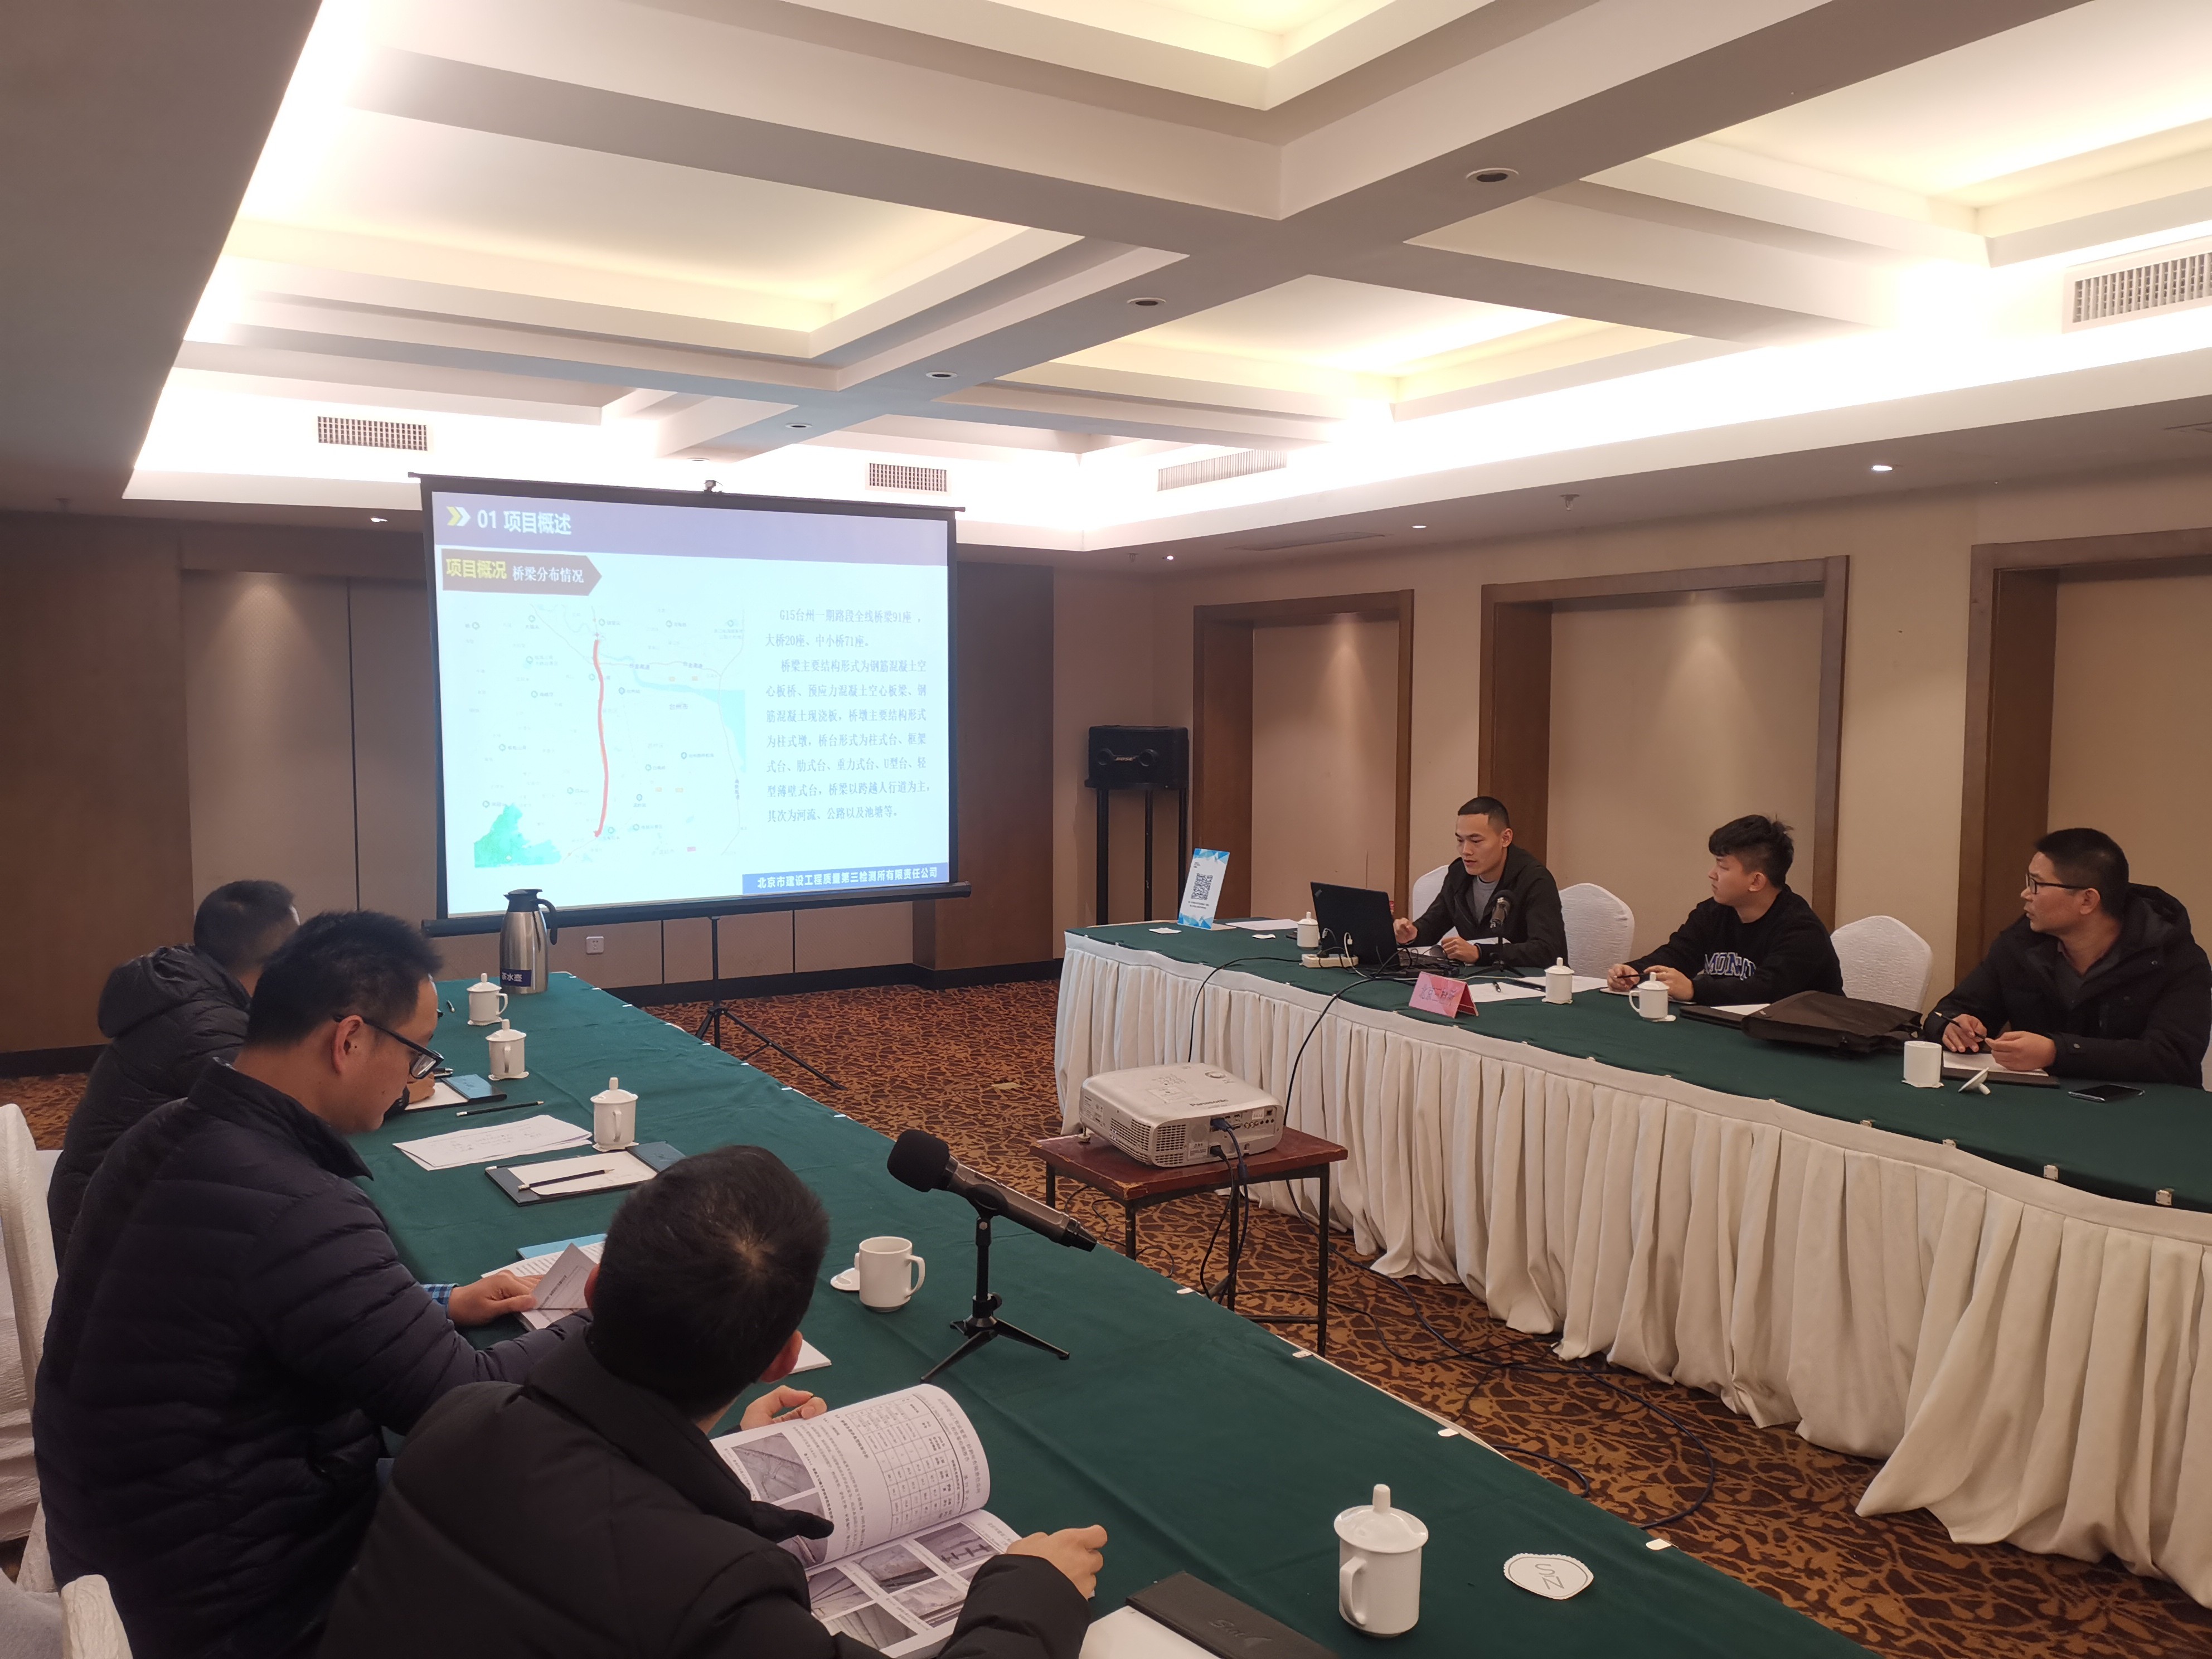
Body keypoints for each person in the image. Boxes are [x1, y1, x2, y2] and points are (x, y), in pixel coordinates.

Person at [35, 911, 584, 1659]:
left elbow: (259, 1304)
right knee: (561, 1541)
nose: (416, 1078)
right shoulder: (296, 1206)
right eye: (417, 1054)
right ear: (349, 1040)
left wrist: (436, 1302)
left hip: (131, 1546)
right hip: (240, 1607)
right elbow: (465, 1401)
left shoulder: (162, 1132)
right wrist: (609, 1306)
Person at [318, 1143, 1105, 1659]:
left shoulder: (454, 1423)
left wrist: (715, 1465)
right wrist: (1028, 1596)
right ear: (781, 1359)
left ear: (591, 1292)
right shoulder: (718, 1596)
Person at [48, 879, 299, 1253]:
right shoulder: (205, 1029)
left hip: (103, 1201)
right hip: (107, 1241)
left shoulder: (182, 981)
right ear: (278, 965)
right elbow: (287, 1119)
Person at [1928, 828, 2211, 1086]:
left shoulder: (2175, 959)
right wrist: (1953, 1026)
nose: (2025, 894)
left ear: (2087, 900)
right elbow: (1951, 1010)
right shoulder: (2021, 944)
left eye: (2037, 884)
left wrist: (2057, 1052)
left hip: (2145, 1110)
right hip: (2043, 1104)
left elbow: (2173, 1058)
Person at [1606, 815, 1842, 1005]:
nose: (1712, 874)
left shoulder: (1801, 929)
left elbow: (1767, 989)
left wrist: (1694, 989)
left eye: (1723, 866)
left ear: (1756, 881)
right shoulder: (1714, 912)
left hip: (1807, 1039)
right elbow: (1678, 954)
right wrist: (1635, 973)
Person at [1392, 796, 1567, 969]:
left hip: (1529, 982)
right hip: (1477, 978)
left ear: (1505, 838)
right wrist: (1412, 935)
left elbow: (1548, 951)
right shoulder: (1459, 874)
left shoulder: (1535, 879)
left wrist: (1480, 953)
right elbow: (1433, 925)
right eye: (1460, 841)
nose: (1466, 851)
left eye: (1476, 841)